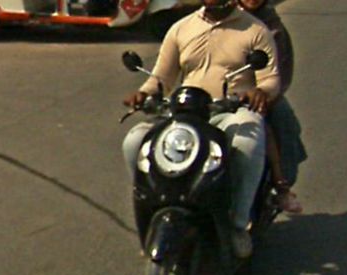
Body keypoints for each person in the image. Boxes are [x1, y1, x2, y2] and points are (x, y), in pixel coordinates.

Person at [122, 0, 280, 258]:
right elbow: (161, 78)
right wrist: (144, 93)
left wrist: (260, 91)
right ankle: (152, 211)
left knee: (247, 144)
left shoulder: (255, 30)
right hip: (186, 111)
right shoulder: (181, 29)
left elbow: (270, 79)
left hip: (230, 110)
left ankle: (238, 225)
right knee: (135, 141)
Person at [238, 0, 307, 214]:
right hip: (221, 91)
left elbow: (281, 70)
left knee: (283, 123)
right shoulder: (221, 21)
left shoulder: (273, 27)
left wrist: (267, 94)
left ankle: (282, 186)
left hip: (262, 92)